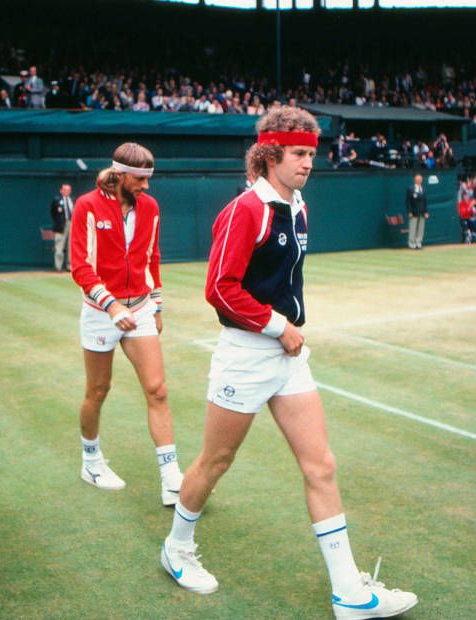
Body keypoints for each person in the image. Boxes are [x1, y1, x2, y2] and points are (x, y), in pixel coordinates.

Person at [160, 107, 418, 619]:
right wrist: (280, 327)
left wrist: (287, 334)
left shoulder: (298, 205)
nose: (308, 164)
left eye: (312, 154)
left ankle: (348, 592)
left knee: (320, 465)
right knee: (215, 461)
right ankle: (176, 548)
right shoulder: (245, 211)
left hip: (289, 358)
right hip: (247, 357)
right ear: (270, 153)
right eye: (299, 154)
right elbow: (218, 289)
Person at [70, 142, 183, 504]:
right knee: (98, 390)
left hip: (141, 309)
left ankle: (170, 478)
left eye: (149, 179)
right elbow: (80, 267)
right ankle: (91, 460)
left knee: (158, 390)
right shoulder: (87, 205)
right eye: (140, 179)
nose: (146, 187)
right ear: (119, 174)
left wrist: (158, 305)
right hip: (100, 312)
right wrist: (112, 305)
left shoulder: (150, 207)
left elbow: (153, 255)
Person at [50, 183, 74, 272]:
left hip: (71, 224)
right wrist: (58, 221)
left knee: (71, 245)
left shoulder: (72, 200)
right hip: (61, 225)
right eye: (65, 190)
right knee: (59, 245)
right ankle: (58, 267)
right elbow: (53, 212)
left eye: (68, 190)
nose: (67, 191)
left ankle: (69, 266)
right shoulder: (57, 200)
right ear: (61, 190)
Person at [406, 174, 428, 249]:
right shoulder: (410, 189)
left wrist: (426, 212)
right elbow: (408, 201)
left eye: (420, 179)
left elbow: (425, 201)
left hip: (422, 212)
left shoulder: (423, 189)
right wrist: (409, 212)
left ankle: (418, 243)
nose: (419, 180)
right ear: (415, 180)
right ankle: (411, 243)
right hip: (413, 212)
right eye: (418, 179)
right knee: (413, 228)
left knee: (421, 228)